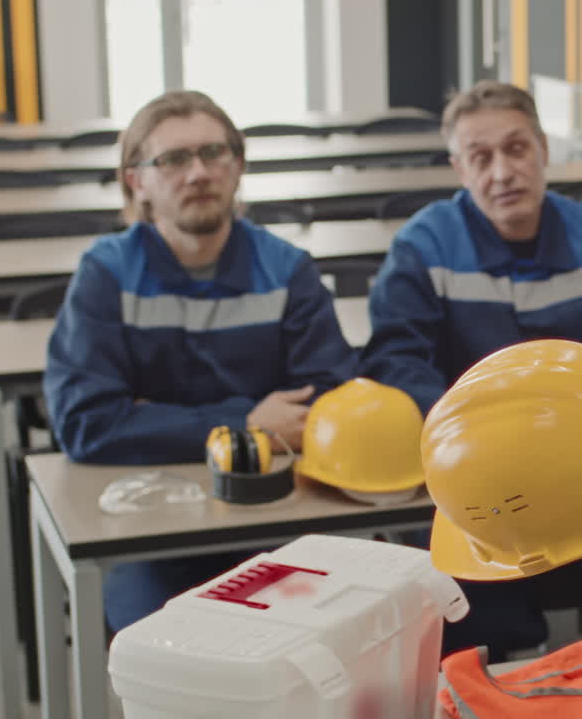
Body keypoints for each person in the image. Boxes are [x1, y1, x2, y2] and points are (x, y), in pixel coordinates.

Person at [360, 81, 582, 658]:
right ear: (458, 167)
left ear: (544, 150)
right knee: (469, 633)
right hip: (485, 502)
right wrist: (466, 435)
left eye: (516, 149)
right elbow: (393, 362)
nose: (502, 172)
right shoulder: (423, 247)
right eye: (480, 157)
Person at [44, 90, 356, 631]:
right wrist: (248, 422)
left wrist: (147, 416)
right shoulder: (107, 275)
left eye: (214, 154)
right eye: (173, 160)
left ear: (237, 167)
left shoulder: (288, 269)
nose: (198, 173)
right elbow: (86, 423)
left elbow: (324, 406)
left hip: (276, 515)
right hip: (147, 526)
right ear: (136, 180)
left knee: (314, 644)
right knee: (164, 645)